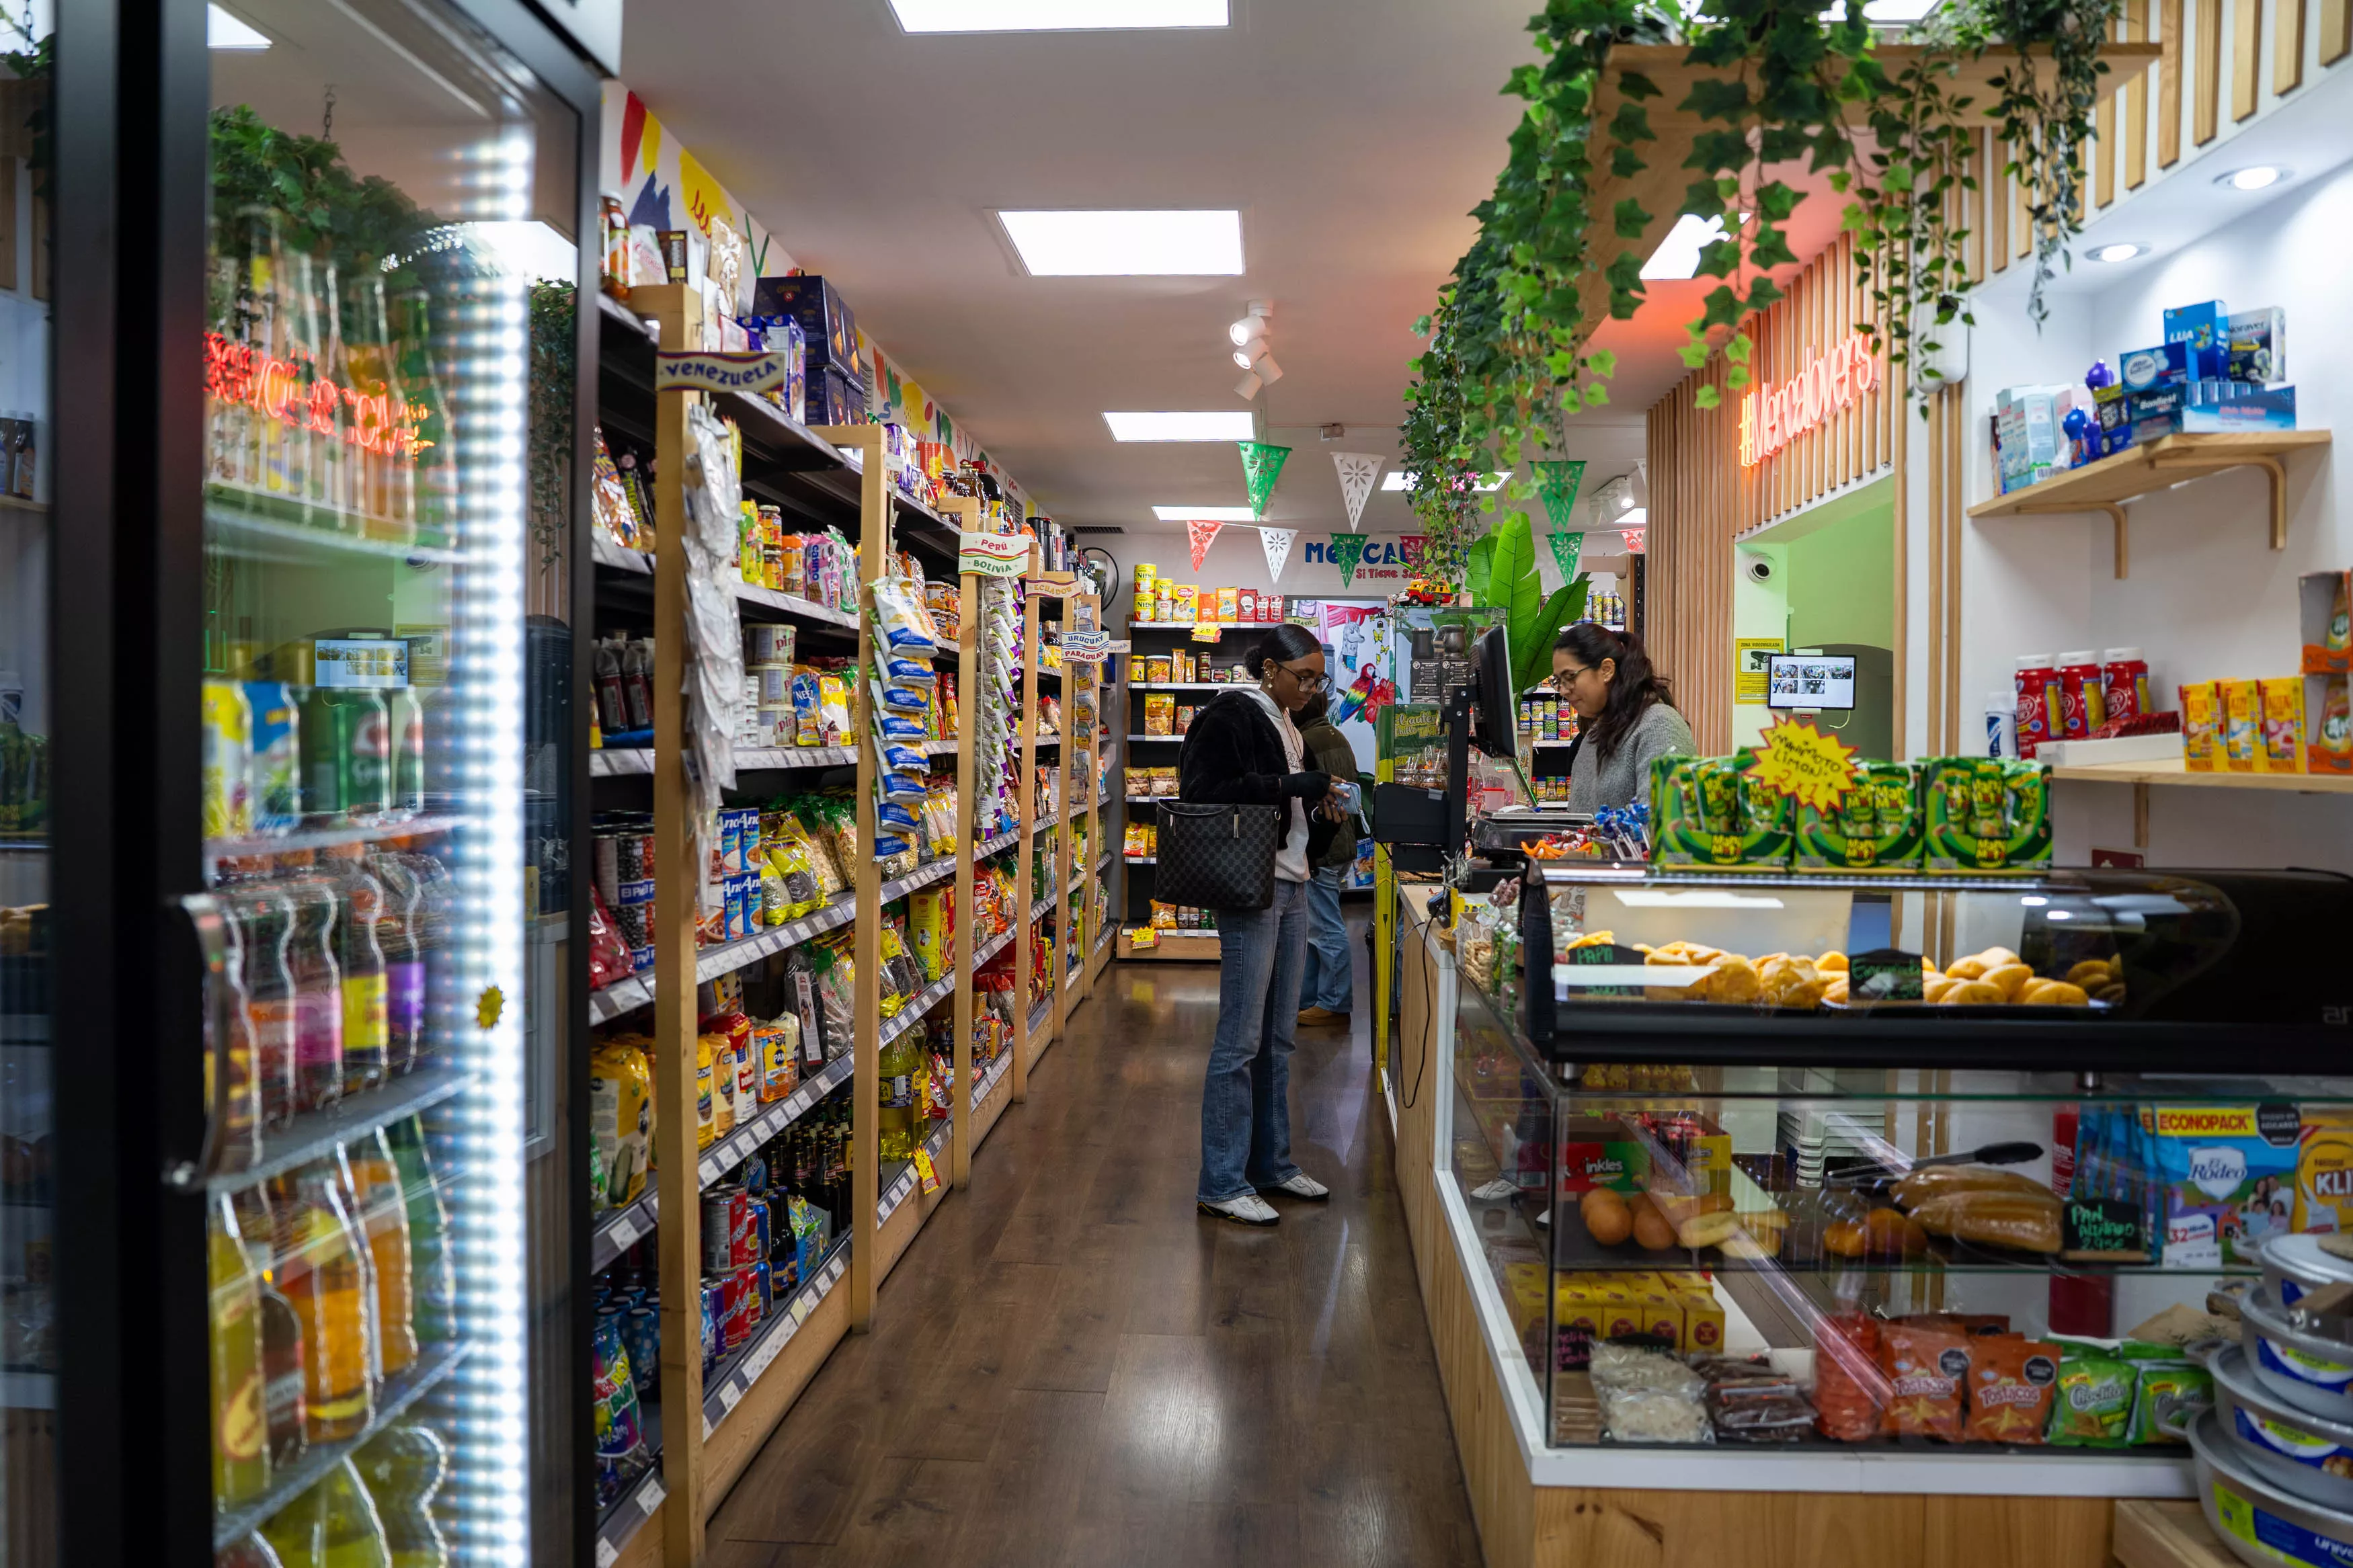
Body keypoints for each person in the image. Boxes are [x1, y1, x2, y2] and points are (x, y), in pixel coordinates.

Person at [1176, 622, 1343, 1226]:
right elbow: (1204, 791)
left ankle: (1270, 1163)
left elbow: (1289, 813)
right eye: (1304, 677)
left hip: (1291, 883)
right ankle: (1221, 1180)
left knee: (1278, 1038)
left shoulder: (1289, 723)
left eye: (1318, 679)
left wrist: (1319, 808)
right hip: (1253, 889)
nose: (1311, 688)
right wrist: (1291, 785)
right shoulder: (1231, 715)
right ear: (1270, 667)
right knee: (1240, 1040)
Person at [1552, 622, 1693, 814]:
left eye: (1570, 677)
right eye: (1558, 681)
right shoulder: (1595, 733)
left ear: (1607, 670)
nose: (1563, 690)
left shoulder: (1660, 725)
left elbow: (1664, 822)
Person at [1292, 692, 1360, 1028]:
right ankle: (1310, 999)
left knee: (1324, 927)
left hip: (1322, 845)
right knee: (1315, 927)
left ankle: (1334, 1002)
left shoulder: (1304, 740)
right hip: (1341, 840)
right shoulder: (1336, 734)